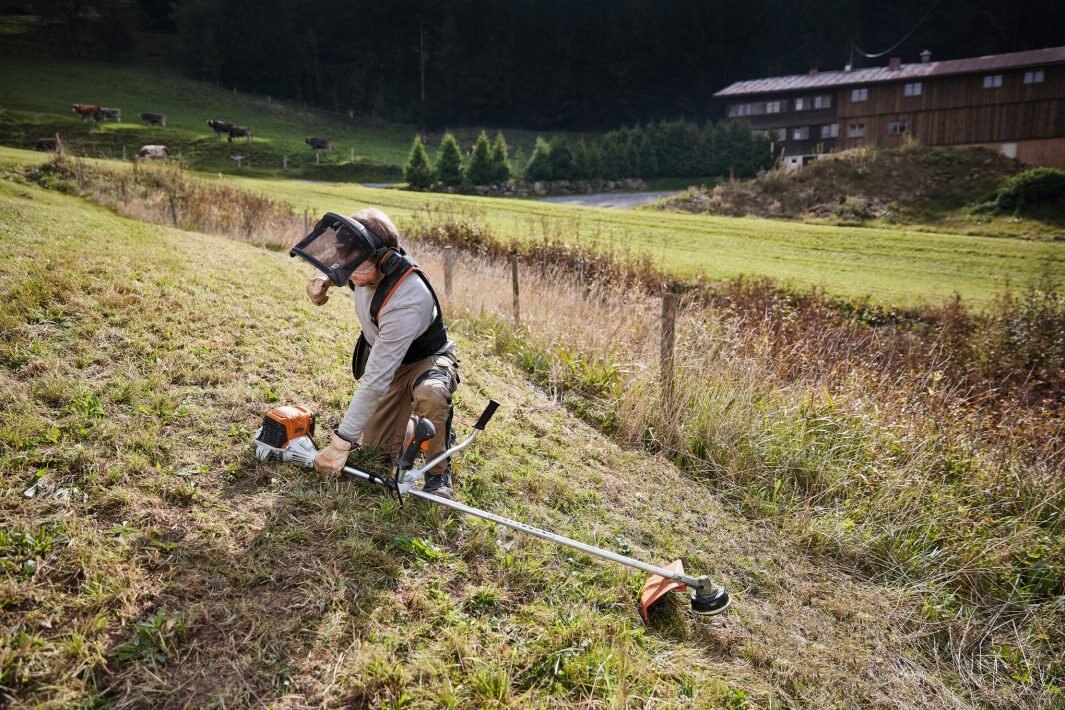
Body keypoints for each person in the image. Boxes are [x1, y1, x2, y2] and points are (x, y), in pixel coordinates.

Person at [293, 208, 459, 499]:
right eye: (346, 265)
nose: (349, 274)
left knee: (430, 393)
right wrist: (324, 278)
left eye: (356, 268)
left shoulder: (407, 298)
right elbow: (345, 264)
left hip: (425, 361)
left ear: (386, 259)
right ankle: (421, 427)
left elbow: (375, 380)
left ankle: (438, 469)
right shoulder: (362, 262)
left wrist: (340, 444)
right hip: (391, 364)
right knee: (377, 452)